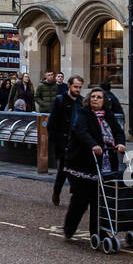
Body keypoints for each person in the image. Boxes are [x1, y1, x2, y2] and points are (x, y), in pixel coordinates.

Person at [61, 88, 126, 243]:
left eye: (99, 97)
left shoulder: (109, 116)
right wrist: (93, 145)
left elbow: (118, 132)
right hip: (81, 164)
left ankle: (98, 232)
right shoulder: (83, 115)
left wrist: (120, 143)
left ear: (104, 101)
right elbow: (81, 132)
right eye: (93, 97)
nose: (95, 99)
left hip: (104, 163)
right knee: (81, 199)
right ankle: (69, 229)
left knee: (100, 200)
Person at [49, 76, 84, 205]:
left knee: (77, 171)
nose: (78, 90)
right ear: (69, 85)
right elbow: (52, 124)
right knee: (64, 170)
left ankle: (78, 197)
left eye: (80, 87)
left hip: (78, 143)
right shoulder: (60, 100)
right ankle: (57, 191)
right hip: (63, 142)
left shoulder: (82, 101)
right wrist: (57, 141)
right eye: (76, 87)